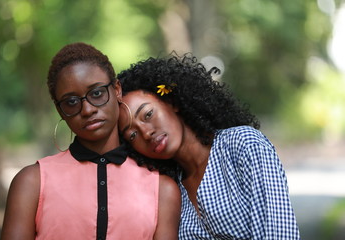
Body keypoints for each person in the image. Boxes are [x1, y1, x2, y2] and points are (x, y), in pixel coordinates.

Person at [1, 42, 181, 240]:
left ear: (117, 89)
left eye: (96, 93)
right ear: (60, 109)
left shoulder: (162, 189)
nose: (87, 110)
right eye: (71, 102)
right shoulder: (31, 182)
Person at [117, 53, 301, 239]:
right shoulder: (168, 190)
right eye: (132, 135)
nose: (146, 133)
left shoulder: (243, 145)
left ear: (171, 102)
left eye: (148, 115)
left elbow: (280, 234)